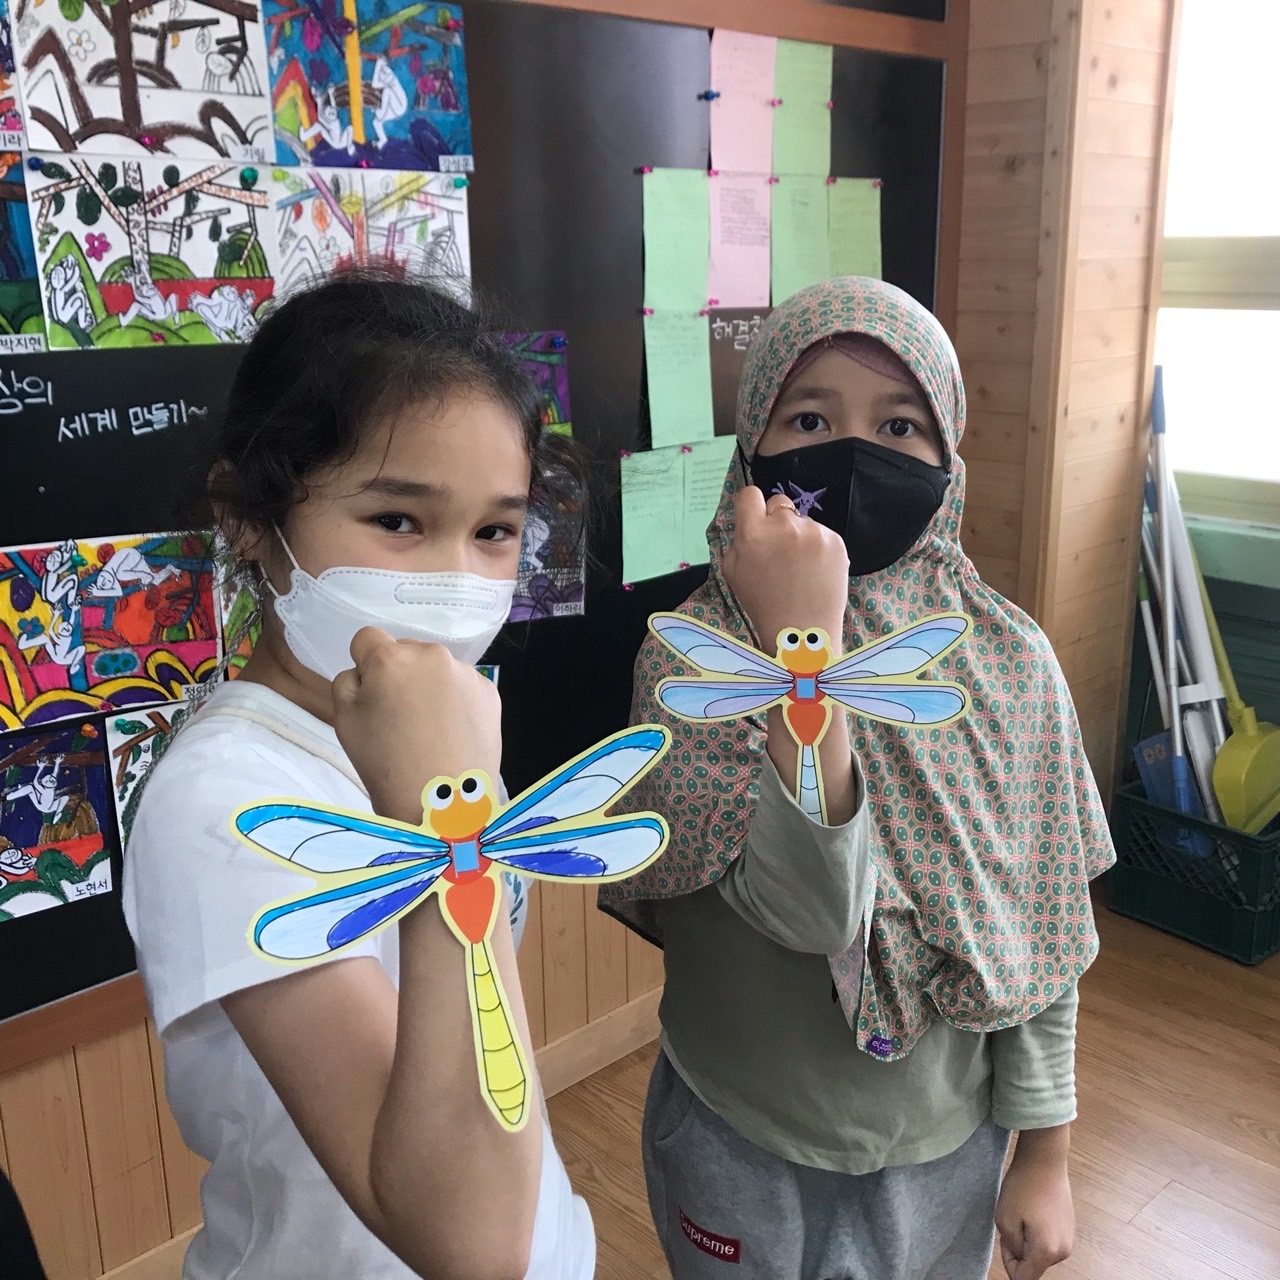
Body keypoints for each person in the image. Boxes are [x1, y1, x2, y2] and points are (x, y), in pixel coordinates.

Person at [602, 276, 1115, 1280]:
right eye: (808, 419)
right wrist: (804, 647)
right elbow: (815, 911)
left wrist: (1045, 1154)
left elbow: (1043, 930)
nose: (853, 451)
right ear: (752, 446)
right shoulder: (689, 661)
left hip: (942, 1152)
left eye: (898, 425)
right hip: (735, 1136)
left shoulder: (1007, 666)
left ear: (946, 459)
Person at [123, 274, 595, 1280]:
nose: (455, 580)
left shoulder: (425, 731)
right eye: (396, 519)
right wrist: (442, 815)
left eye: (494, 531)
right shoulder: (228, 801)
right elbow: (469, 1243)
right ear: (247, 518)